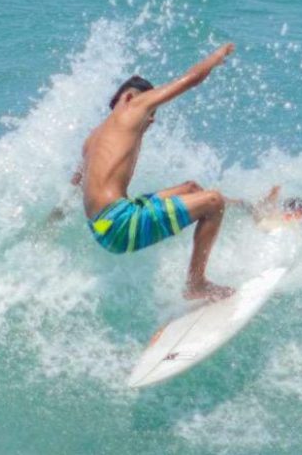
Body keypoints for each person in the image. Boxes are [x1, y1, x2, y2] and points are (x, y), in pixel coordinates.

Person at [75, 43, 236, 300]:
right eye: (152, 111)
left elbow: (75, 184)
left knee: (192, 189)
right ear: (128, 97)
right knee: (213, 201)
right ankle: (196, 284)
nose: (152, 119)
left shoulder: (92, 139)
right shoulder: (132, 106)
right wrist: (216, 57)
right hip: (119, 223)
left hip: (101, 226)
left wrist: (52, 219)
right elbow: (192, 79)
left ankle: (253, 210)